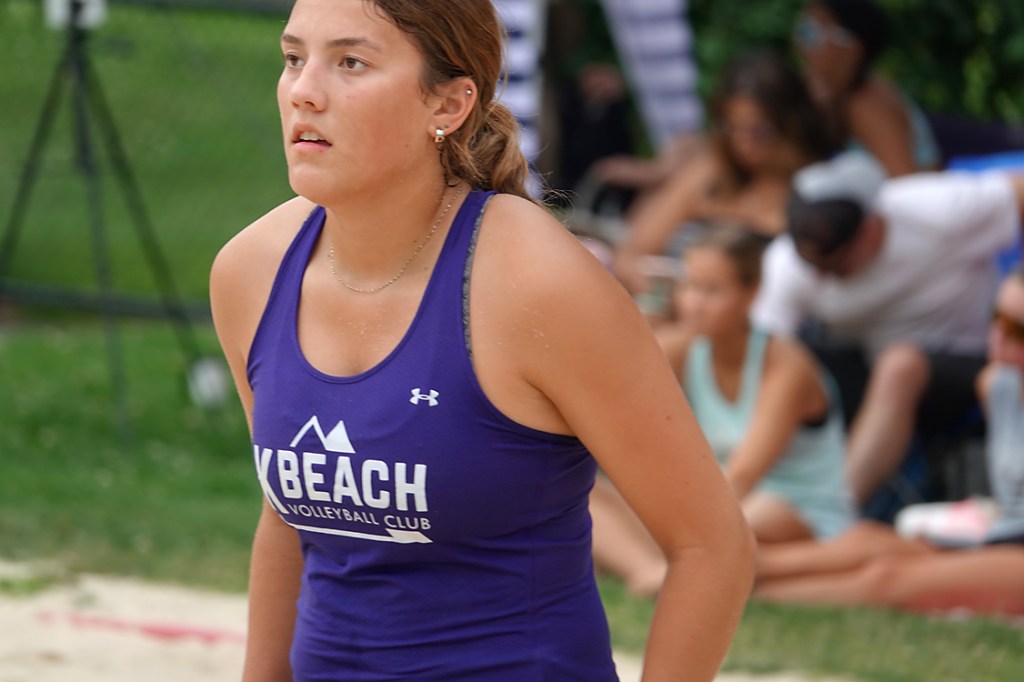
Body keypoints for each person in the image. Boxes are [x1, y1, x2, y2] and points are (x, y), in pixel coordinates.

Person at [209, 1, 755, 680]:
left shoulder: (538, 284)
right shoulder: (251, 270)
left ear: (448, 103)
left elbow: (712, 547)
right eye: (294, 58)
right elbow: (286, 521)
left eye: (350, 62)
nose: (304, 92)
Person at [591, 225, 854, 597]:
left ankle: (664, 565)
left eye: (712, 290)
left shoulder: (787, 365)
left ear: (751, 293)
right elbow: (607, 391)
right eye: (689, 286)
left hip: (789, 505)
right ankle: (651, 571)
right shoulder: (684, 347)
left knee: (753, 513)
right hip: (718, 504)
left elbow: (744, 474)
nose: (694, 303)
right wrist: (641, 333)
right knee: (586, 491)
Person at [753, 151, 1024, 510]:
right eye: (811, 264)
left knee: (900, 364)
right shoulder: (788, 264)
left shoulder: (937, 209)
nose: (818, 276)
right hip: (865, 368)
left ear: (868, 231)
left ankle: (836, 512)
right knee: (788, 363)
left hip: (974, 356)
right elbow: (764, 354)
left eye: (834, 266)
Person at [753, 270, 1024, 617]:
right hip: (998, 535)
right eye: (995, 317)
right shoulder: (997, 385)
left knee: (887, 577)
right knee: (865, 539)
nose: (998, 334)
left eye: (1016, 328)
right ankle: (736, 567)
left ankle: (738, 594)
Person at [612, 48, 833, 297]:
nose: (743, 144)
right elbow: (631, 254)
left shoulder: (816, 186)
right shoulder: (710, 173)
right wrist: (678, 299)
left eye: (758, 132)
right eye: (731, 129)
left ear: (790, 126)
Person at [792, 0, 940, 176]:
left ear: (851, 49)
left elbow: (908, 183)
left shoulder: (868, 106)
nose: (800, 45)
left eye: (810, 34)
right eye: (801, 30)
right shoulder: (840, 97)